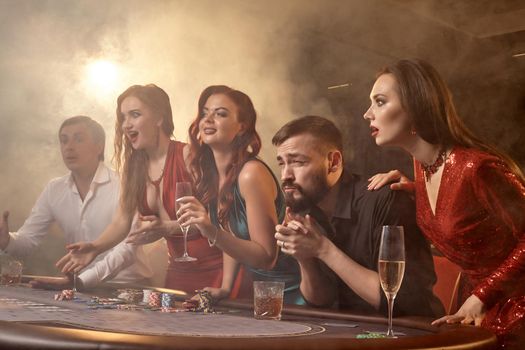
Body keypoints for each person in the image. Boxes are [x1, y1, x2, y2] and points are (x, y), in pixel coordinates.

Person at [364, 59, 525, 348]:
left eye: (380, 102)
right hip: (475, 312)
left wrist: (482, 296)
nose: (367, 114)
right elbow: (460, 209)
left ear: (415, 108)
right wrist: (416, 190)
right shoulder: (421, 166)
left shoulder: (477, 168)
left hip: (515, 312)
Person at [57, 85, 224, 294]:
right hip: (177, 273)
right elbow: (121, 221)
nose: (126, 125)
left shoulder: (188, 156)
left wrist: (167, 228)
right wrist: (95, 247)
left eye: (134, 115)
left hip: (217, 271)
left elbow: (219, 221)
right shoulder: (133, 168)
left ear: (159, 118)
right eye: (123, 117)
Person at [273, 115, 443, 317]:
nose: (285, 176)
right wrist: (305, 259)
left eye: (298, 162)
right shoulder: (309, 211)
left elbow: (404, 300)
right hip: (350, 332)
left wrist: (323, 249)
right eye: (282, 164)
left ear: (333, 162)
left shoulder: (385, 199)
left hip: (411, 333)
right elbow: (321, 301)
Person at [176, 85, 302, 304]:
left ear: (242, 127)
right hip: (263, 294)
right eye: (205, 113)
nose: (208, 119)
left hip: (291, 295)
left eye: (220, 114)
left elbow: (266, 258)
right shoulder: (215, 176)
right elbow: (231, 236)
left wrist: (209, 229)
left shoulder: (250, 174)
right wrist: (225, 288)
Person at [0, 116, 152, 289]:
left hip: (129, 289)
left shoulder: (124, 184)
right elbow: (27, 241)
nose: (69, 147)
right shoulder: (54, 189)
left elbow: (128, 248)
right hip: (79, 288)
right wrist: (6, 241)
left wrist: (80, 281)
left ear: (99, 145)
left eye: (78, 139)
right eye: (64, 141)